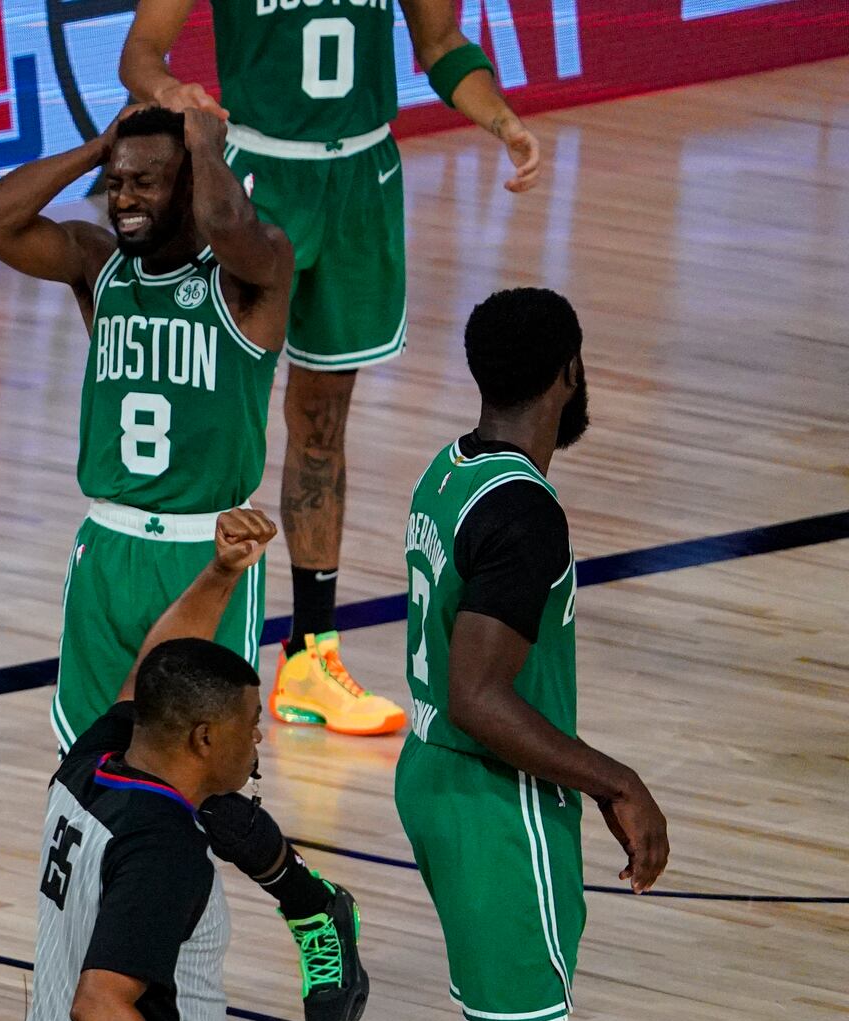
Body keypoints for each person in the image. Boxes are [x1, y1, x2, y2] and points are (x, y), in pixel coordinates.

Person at [121, 0, 543, 735]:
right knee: (213, 407)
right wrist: (170, 94)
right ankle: (171, 636)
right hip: (257, 172)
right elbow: (140, 54)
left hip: (358, 182)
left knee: (320, 424)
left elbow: (440, 43)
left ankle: (311, 659)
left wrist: (502, 120)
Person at [0, 104, 293, 756]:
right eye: (117, 184)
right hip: (108, 547)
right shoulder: (100, 264)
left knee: (200, 762)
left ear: (192, 181)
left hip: (207, 550)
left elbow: (229, 223)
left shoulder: (249, 277)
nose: (125, 199)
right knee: (87, 756)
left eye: (147, 182)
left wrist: (205, 145)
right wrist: (99, 149)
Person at [394, 289, 669, 1021]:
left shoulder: (449, 470)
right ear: (568, 374)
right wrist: (617, 782)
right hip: (496, 800)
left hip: (432, 774)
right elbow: (478, 697)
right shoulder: (524, 513)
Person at [22, 509, 367, 1021]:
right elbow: (100, 1008)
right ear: (204, 739)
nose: (259, 735)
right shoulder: (166, 849)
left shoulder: (90, 761)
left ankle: (312, 904)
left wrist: (222, 573)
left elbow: (148, 674)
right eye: (250, 721)